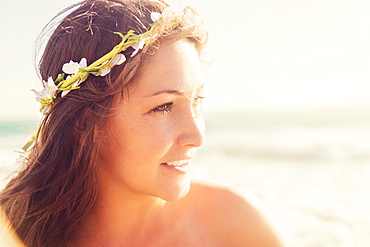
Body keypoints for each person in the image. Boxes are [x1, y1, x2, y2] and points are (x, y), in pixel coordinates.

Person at [0, 0, 286, 246]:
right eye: (163, 107)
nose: (197, 136)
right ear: (85, 124)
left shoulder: (236, 226)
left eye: (197, 101)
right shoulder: (13, 231)